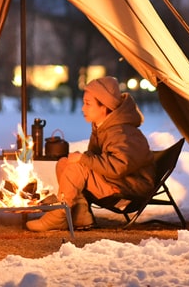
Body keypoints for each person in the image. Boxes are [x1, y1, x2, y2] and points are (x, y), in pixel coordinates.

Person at [26, 76, 156, 231]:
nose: (83, 108)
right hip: (115, 182)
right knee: (65, 163)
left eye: (88, 104)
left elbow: (118, 167)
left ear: (104, 107)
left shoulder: (123, 133)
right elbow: (96, 157)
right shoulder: (103, 127)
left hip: (128, 191)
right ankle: (81, 216)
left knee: (77, 167)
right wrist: (81, 158)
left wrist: (83, 159)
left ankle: (59, 215)